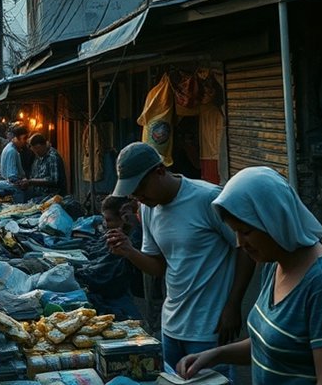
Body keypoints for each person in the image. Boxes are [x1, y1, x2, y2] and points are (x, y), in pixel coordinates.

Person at [178, 166, 322, 384]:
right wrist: (216, 355)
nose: (240, 243)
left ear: (274, 219)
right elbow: (273, 344)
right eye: (235, 232)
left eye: (247, 232)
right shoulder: (274, 263)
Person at [105, 142, 253, 382]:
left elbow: (244, 249)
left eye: (140, 187)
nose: (137, 196)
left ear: (160, 171)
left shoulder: (208, 198)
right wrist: (129, 251)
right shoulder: (148, 209)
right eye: (132, 192)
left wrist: (234, 304)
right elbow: (159, 267)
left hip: (209, 327)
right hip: (171, 326)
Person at [25, 133, 68, 198]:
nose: (36, 153)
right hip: (40, 196)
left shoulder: (52, 157)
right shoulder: (40, 156)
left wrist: (31, 181)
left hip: (53, 196)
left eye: (37, 150)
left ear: (40, 146)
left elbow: (53, 180)